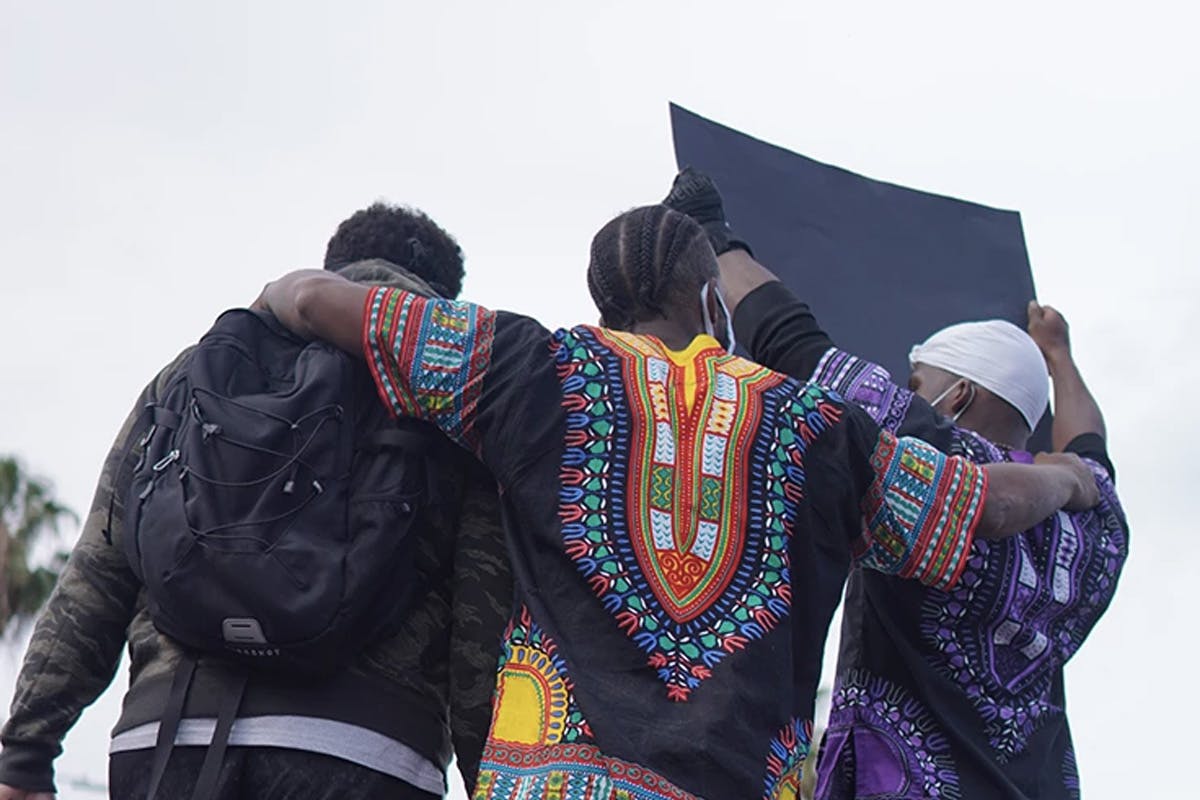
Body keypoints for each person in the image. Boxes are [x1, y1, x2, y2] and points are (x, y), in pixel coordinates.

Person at [252, 203, 1100, 800]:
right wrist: (1070, 476)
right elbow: (976, 507)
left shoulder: (532, 369)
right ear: (707, 302)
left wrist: (268, 309)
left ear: (604, 303)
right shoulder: (815, 427)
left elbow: (315, 298)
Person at [0, 203, 512, 800]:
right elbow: (484, 607)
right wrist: (493, 781)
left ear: (334, 266)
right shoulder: (445, 384)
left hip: (166, 740)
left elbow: (101, 567)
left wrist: (26, 752)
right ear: (440, 296)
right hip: (362, 749)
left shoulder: (194, 372)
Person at [662, 168, 1128, 799]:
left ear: (958, 392)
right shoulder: (1091, 517)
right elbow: (1088, 444)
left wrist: (714, 236)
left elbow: (798, 348)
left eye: (917, 381)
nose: (908, 393)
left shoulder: (936, 458)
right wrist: (1060, 358)